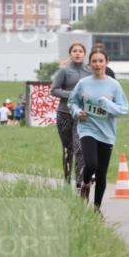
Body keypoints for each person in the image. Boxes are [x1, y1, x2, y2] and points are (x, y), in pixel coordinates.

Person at [68, 47, 129, 211]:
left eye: (100, 61)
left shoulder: (114, 85)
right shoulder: (83, 83)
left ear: (106, 63)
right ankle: (85, 183)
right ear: (89, 64)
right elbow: (72, 102)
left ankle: (96, 209)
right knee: (91, 163)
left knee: (101, 173)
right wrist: (77, 111)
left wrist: (107, 103)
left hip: (107, 132)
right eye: (94, 61)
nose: (97, 64)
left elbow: (123, 109)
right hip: (87, 127)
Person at [51, 42, 90, 187]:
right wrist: (72, 94)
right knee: (68, 149)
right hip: (65, 114)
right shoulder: (64, 71)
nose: (77, 53)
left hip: (81, 115)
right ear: (70, 54)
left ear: (84, 54)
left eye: (80, 51)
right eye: (74, 51)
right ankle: (67, 178)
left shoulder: (89, 71)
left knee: (79, 147)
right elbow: (54, 90)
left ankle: (79, 179)